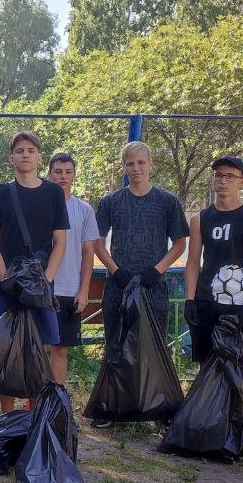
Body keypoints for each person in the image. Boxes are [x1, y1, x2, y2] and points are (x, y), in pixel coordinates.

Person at [92, 141, 189, 428]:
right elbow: (96, 242)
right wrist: (116, 271)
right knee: (115, 344)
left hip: (152, 286)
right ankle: (111, 408)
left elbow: (180, 243)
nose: (135, 168)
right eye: (130, 164)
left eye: (140, 163)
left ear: (150, 165)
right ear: (124, 167)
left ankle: (159, 410)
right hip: (119, 285)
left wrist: (156, 271)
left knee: (154, 346)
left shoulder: (167, 201)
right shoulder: (111, 202)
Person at [0, 131, 69, 413]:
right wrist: (6, 279)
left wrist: (47, 279)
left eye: (31, 150)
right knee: (7, 350)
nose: (25, 154)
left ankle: (34, 413)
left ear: (39, 156)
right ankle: (7, 417)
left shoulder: (53, 192)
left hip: (40, 288)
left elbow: (60, 242)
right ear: (11, 158)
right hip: (6, 288)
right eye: (19, 151)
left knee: (38, 350)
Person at [184, 156, 243, 365]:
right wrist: (190, 300)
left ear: (241, 181)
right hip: (206, 302)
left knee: (235, 365)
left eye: (230, 176)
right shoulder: (199, 219)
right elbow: (193, 262)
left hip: (238, 306)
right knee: (206, 365)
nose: (223, 181)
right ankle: (206, 399)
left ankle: (234, 400)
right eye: (219, 175)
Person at [46, 153, 100, 385]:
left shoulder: (84, 210)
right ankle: (34, 406)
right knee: (38, 347)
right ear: (49, 174)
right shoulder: (39, 205)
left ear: (74, 175)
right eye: (58, 171)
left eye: (68, 172)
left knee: (60, 350)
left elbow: (89, 252)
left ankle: (57, 406)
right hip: (41, 288)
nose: (63, 176)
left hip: (69, 289)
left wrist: (84, 289)